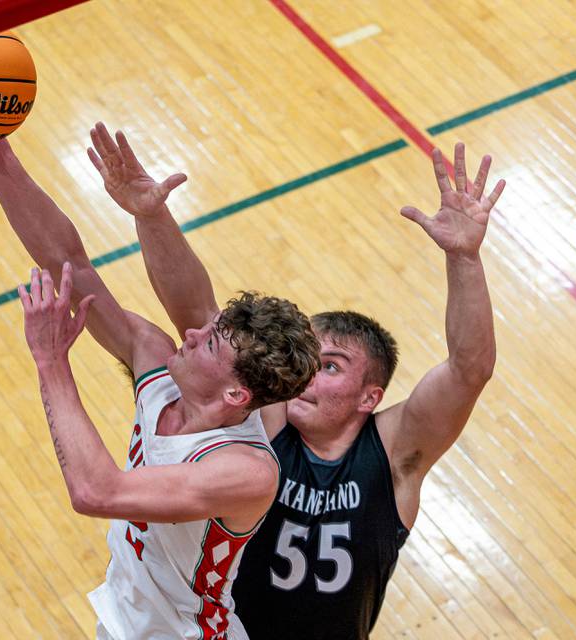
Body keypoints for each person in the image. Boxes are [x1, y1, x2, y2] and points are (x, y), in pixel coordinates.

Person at [86, 122, 505, 639]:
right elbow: (197, 311)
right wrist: (152, 215)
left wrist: (463, 257)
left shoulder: (394, 453)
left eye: (329, 367)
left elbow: (470, 370)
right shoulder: (265, 423)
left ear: (369, 397)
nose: (307, 377)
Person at [0, 139, 321, 640]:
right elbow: (69, 262)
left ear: (235, 396)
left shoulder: (244, 471)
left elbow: (96, 491)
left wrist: (51, 362)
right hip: (124, 623)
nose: (193, 333)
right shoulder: (159, 364)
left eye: (208, 343)